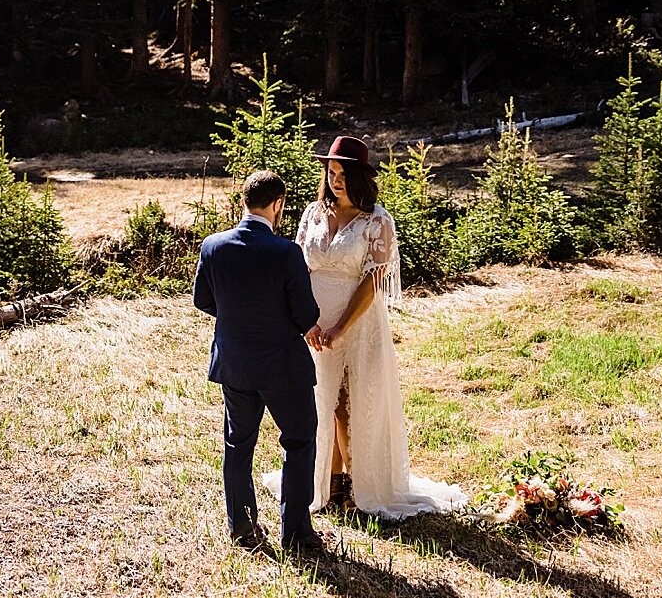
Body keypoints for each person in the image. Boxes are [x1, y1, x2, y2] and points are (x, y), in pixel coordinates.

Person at [290, 135, 465, 520]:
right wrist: (308, 320)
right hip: (313, 324)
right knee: (322, 404)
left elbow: (372, 283)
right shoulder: (313, 213)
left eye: (343, 174)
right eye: (331, 173)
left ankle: (357, 485)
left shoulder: (377, 221)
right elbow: (298, 267)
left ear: (360, 178)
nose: (335, 181)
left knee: (348, 406)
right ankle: (328, 483)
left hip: (356, 323)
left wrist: (339, 327)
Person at [192, 170, 326, 560]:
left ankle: (243, 528)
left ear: (244, 203)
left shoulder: (213, 246)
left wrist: (237, 317)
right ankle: (297, 534)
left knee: (237, 444)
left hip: (234, 362)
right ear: (278, 205)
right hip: (281, 365)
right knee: (299, 441)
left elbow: (203, 300)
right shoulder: (285, 252)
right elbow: (305, 314)